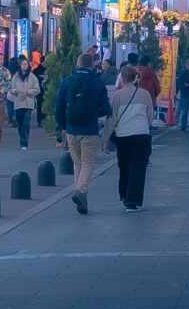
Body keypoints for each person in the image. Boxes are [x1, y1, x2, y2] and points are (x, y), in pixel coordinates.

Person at [55, 48, 111, 214]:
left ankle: (82, 197)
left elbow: (58, 108)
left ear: (77, 64)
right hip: (90, 129)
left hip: (71, 129)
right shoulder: (98, 82)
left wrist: (64, 126)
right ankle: (80, 191)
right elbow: (106, 108)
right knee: (87, 163)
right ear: (92, 65)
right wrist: (95, 113)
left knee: (78, 164)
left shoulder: (67, 81)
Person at [109, 61, 156, 211]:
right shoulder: (145, 94)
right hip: (141, 134)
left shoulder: (117, 96)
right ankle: (133, 200)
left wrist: (105, 139)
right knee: (138, 168)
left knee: (124, 166)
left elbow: (112, 119)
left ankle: (124, 195)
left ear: (122, 78)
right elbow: (150, 115)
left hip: (123, 136)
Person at [7, 60, 41, 149]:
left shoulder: (32, 77)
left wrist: (28, 92)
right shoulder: (15, 76)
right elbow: (11, 89)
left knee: (26, 123)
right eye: (23, 64)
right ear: (20, 65)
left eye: (26, 64)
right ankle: (22, 139)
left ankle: (24, 143)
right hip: (18, 103)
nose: (25, 65)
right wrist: (16, 91)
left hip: (28, 103)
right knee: (20, 123)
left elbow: (37, 90)